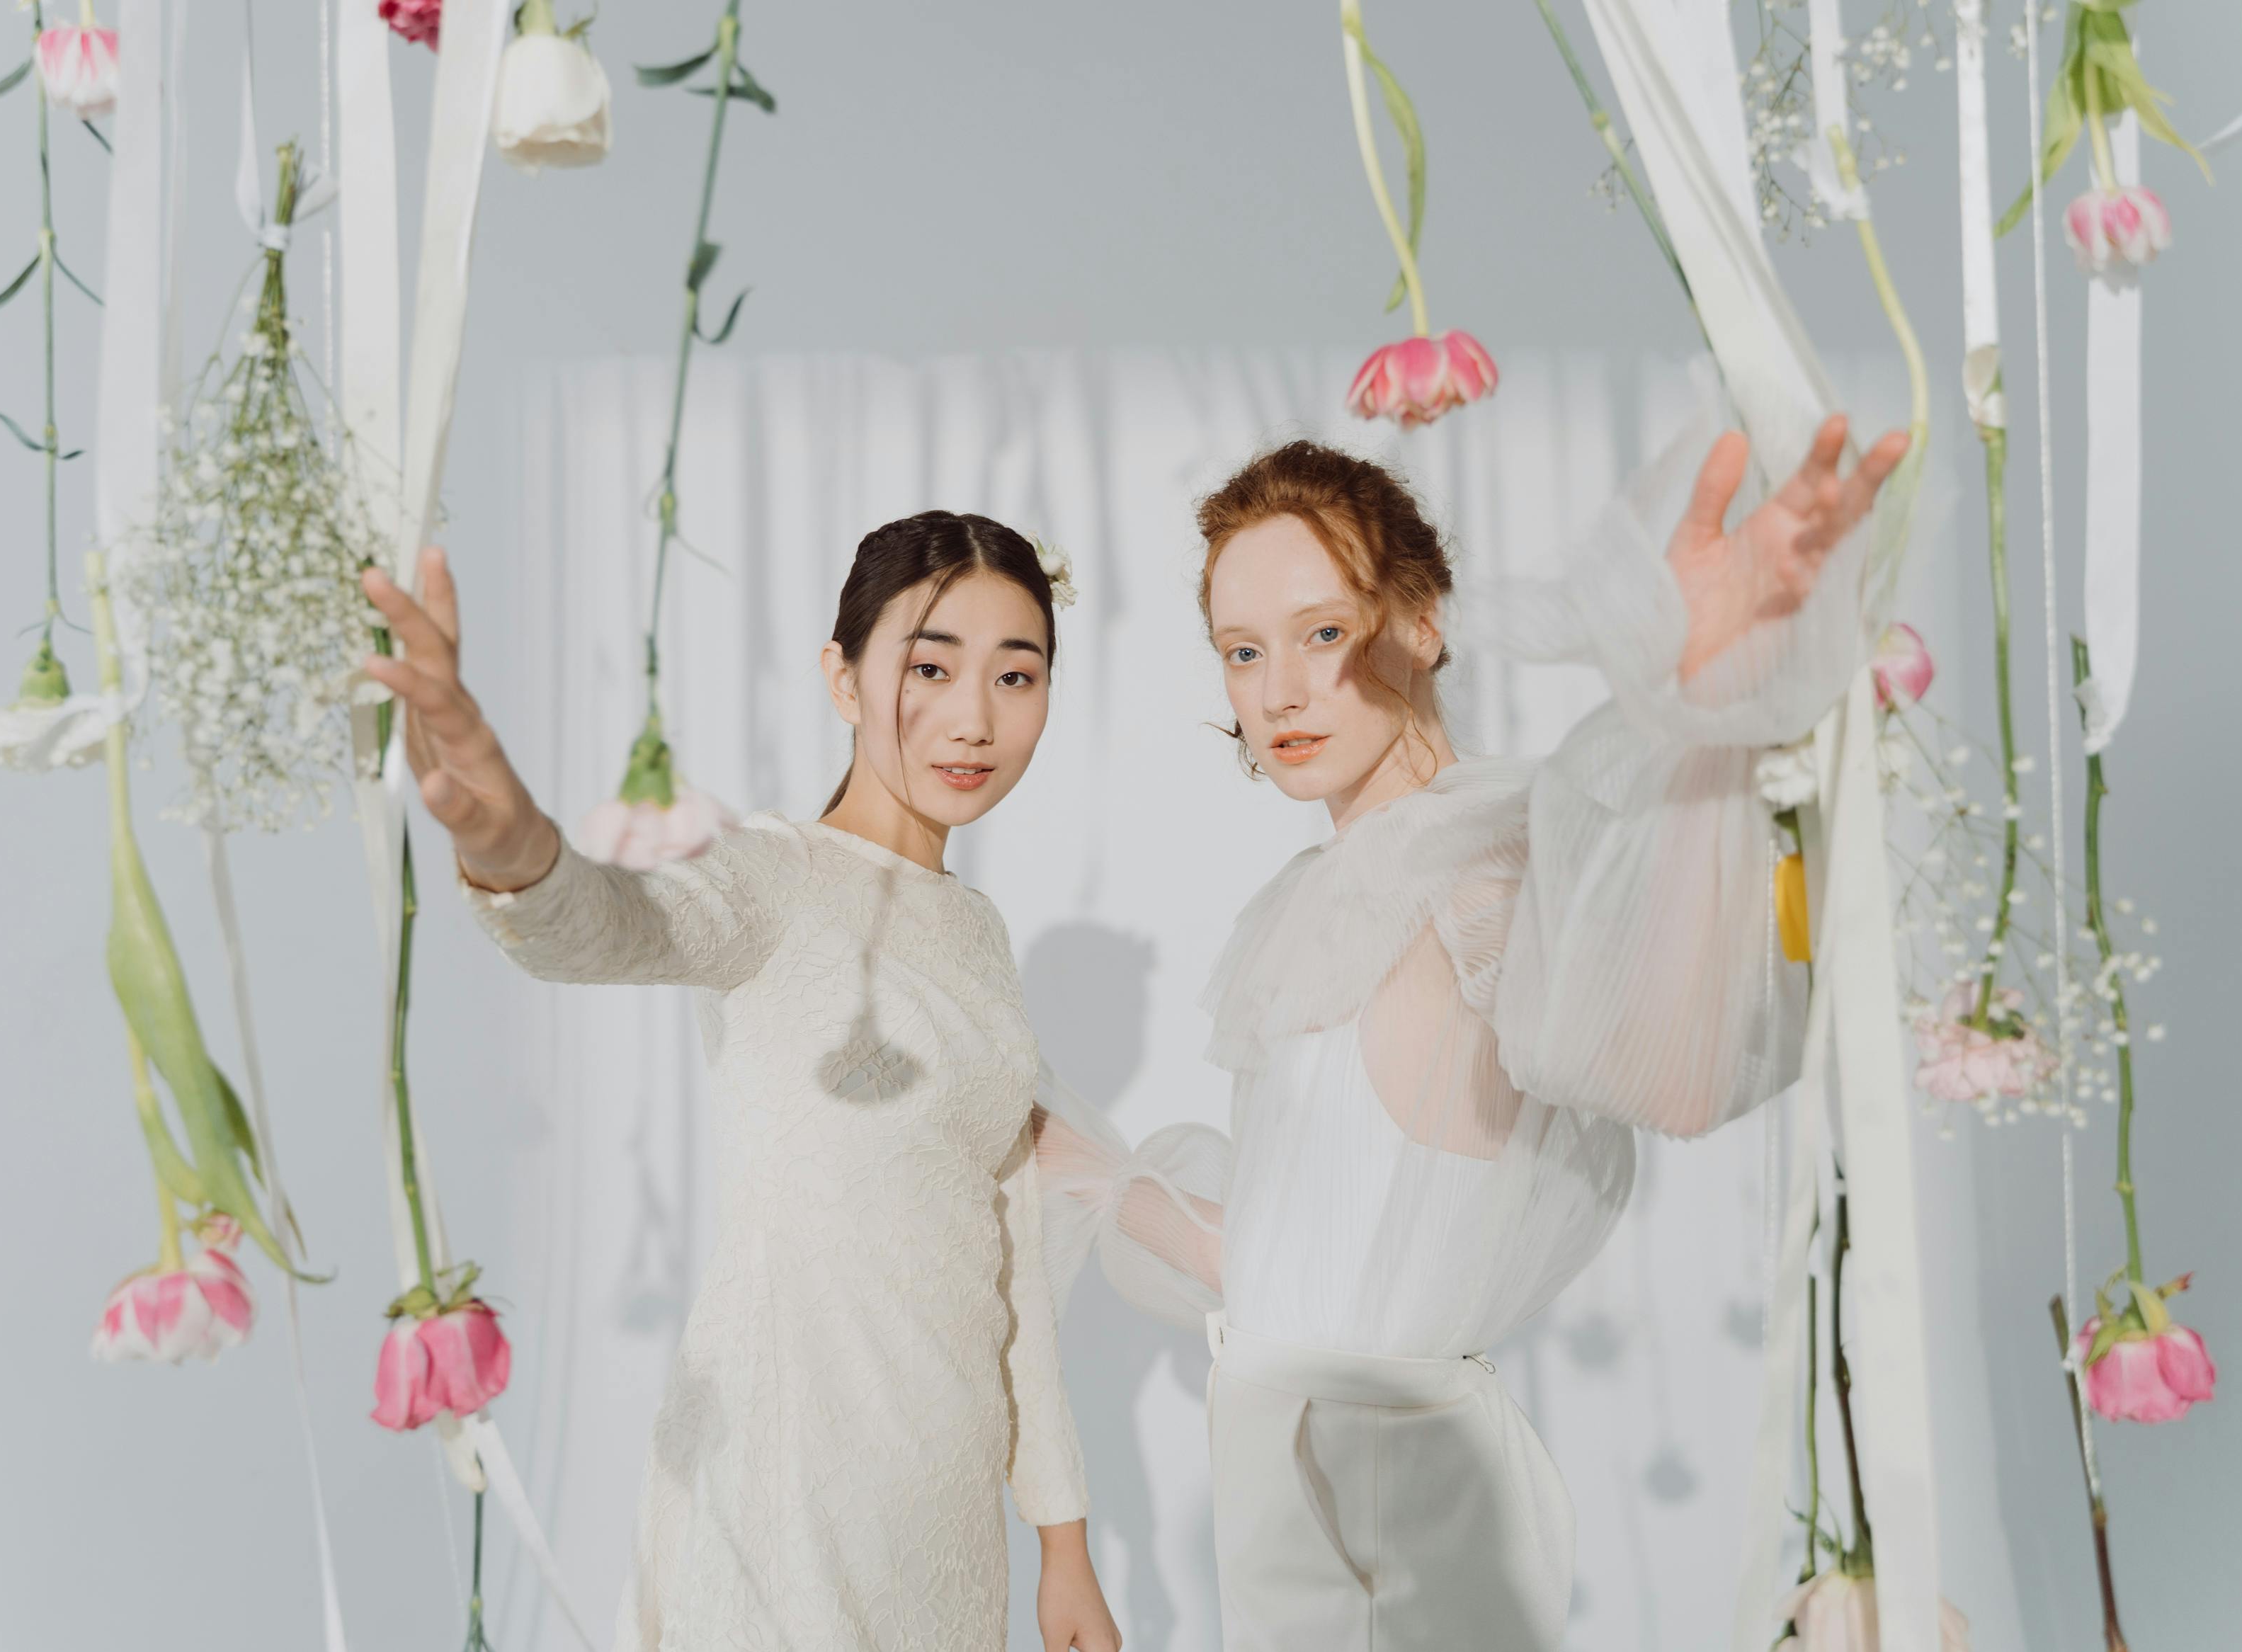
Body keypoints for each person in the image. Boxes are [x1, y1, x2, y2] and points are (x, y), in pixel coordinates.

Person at [1038, 410, 1908, 1650]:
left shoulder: (1492, 860)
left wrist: (1702, 711)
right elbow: (1308, 1273)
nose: (1278, 690)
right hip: (1297, 1534)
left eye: (1323, 634)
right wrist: (1071, 1162)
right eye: (1241, 650)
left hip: (1411, 1551)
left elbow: (1665, 1061)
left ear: (1425, 621)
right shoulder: (1322, 899)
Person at [361, 514, 1122, 1652]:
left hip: (945, 1512)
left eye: (1018, 674)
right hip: (787, 1492)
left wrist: (1062, 1541)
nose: (975, 718)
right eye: (929, 666)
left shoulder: (977, 936)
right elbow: (611, 922)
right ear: (843, 675)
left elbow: (1004, 1246)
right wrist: (507, 837)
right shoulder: (773, 875)